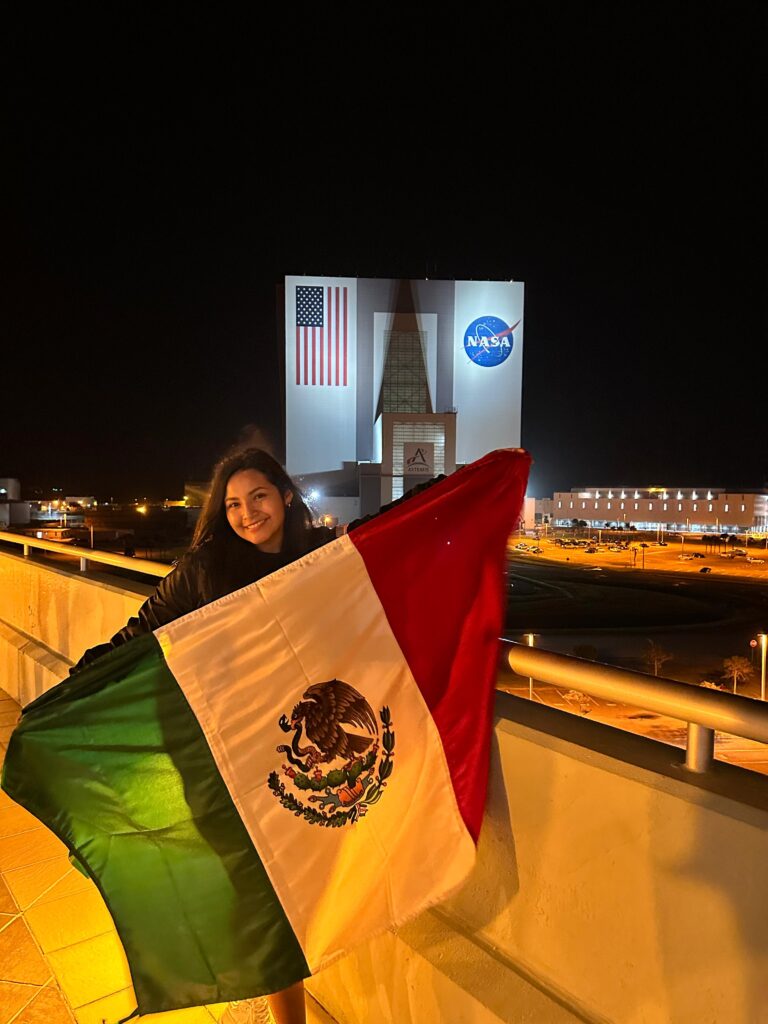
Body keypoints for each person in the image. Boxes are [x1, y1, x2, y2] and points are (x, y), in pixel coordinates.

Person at [71, 446, 441, 1024]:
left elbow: (381, 538)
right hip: (241, 748)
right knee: (265, 890)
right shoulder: (205, 569)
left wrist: (442, 491)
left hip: (308, 755)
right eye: (235, 504)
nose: (248, 514)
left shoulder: (318, 558)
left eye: (260, 497)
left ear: (287, 496)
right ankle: (286, 1015)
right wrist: (86, 676)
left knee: (312, 877)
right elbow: (145, 629)